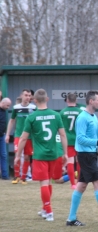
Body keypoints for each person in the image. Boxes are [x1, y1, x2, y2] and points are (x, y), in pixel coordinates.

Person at [14, 89, 68, 221]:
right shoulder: (56, 115)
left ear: (35, 100)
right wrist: (65, 153)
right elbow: (62, 135)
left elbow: (23, 138)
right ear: (47, 99)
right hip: (54, 154)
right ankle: (45, 208)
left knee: (44, 182)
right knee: (48, 181)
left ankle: (49, 211)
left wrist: (17, 156)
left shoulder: (31, 117)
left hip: (40, 155)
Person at [66, 90, 98, 227]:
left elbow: (96, 137)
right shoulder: (83, 117)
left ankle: (71, 219)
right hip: (85, 155)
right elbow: (80, 139)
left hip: (91, 154)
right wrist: (97, 143)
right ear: (91, 101)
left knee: (81, 185)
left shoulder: (94, 117)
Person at [5, 89, 36, 184]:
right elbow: (12, 120)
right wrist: (7, 134)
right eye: (26, 95)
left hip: (29, 137)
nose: (27, 97)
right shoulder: (16, 107)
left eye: (29, 95)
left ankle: (23, 178)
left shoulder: (34, 108)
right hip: (18, 135)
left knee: (27, 157)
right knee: (17, 155)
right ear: (22, 96)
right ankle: (16, 176)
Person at [60, 93, 82, 189]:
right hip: (79, 139)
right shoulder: (80, 112)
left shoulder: (62, 112)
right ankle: (80, 181)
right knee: (79, 161)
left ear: (67, 100)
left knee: (70, 161)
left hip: (67, 139)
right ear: (76, 101)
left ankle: (73, 184)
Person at [0, 98, 12, 179]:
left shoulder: (4, 111)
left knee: (4, 155)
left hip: (2, 136)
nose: (8, 107)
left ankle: (5, 175)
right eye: (7, 105)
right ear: (3, 103)